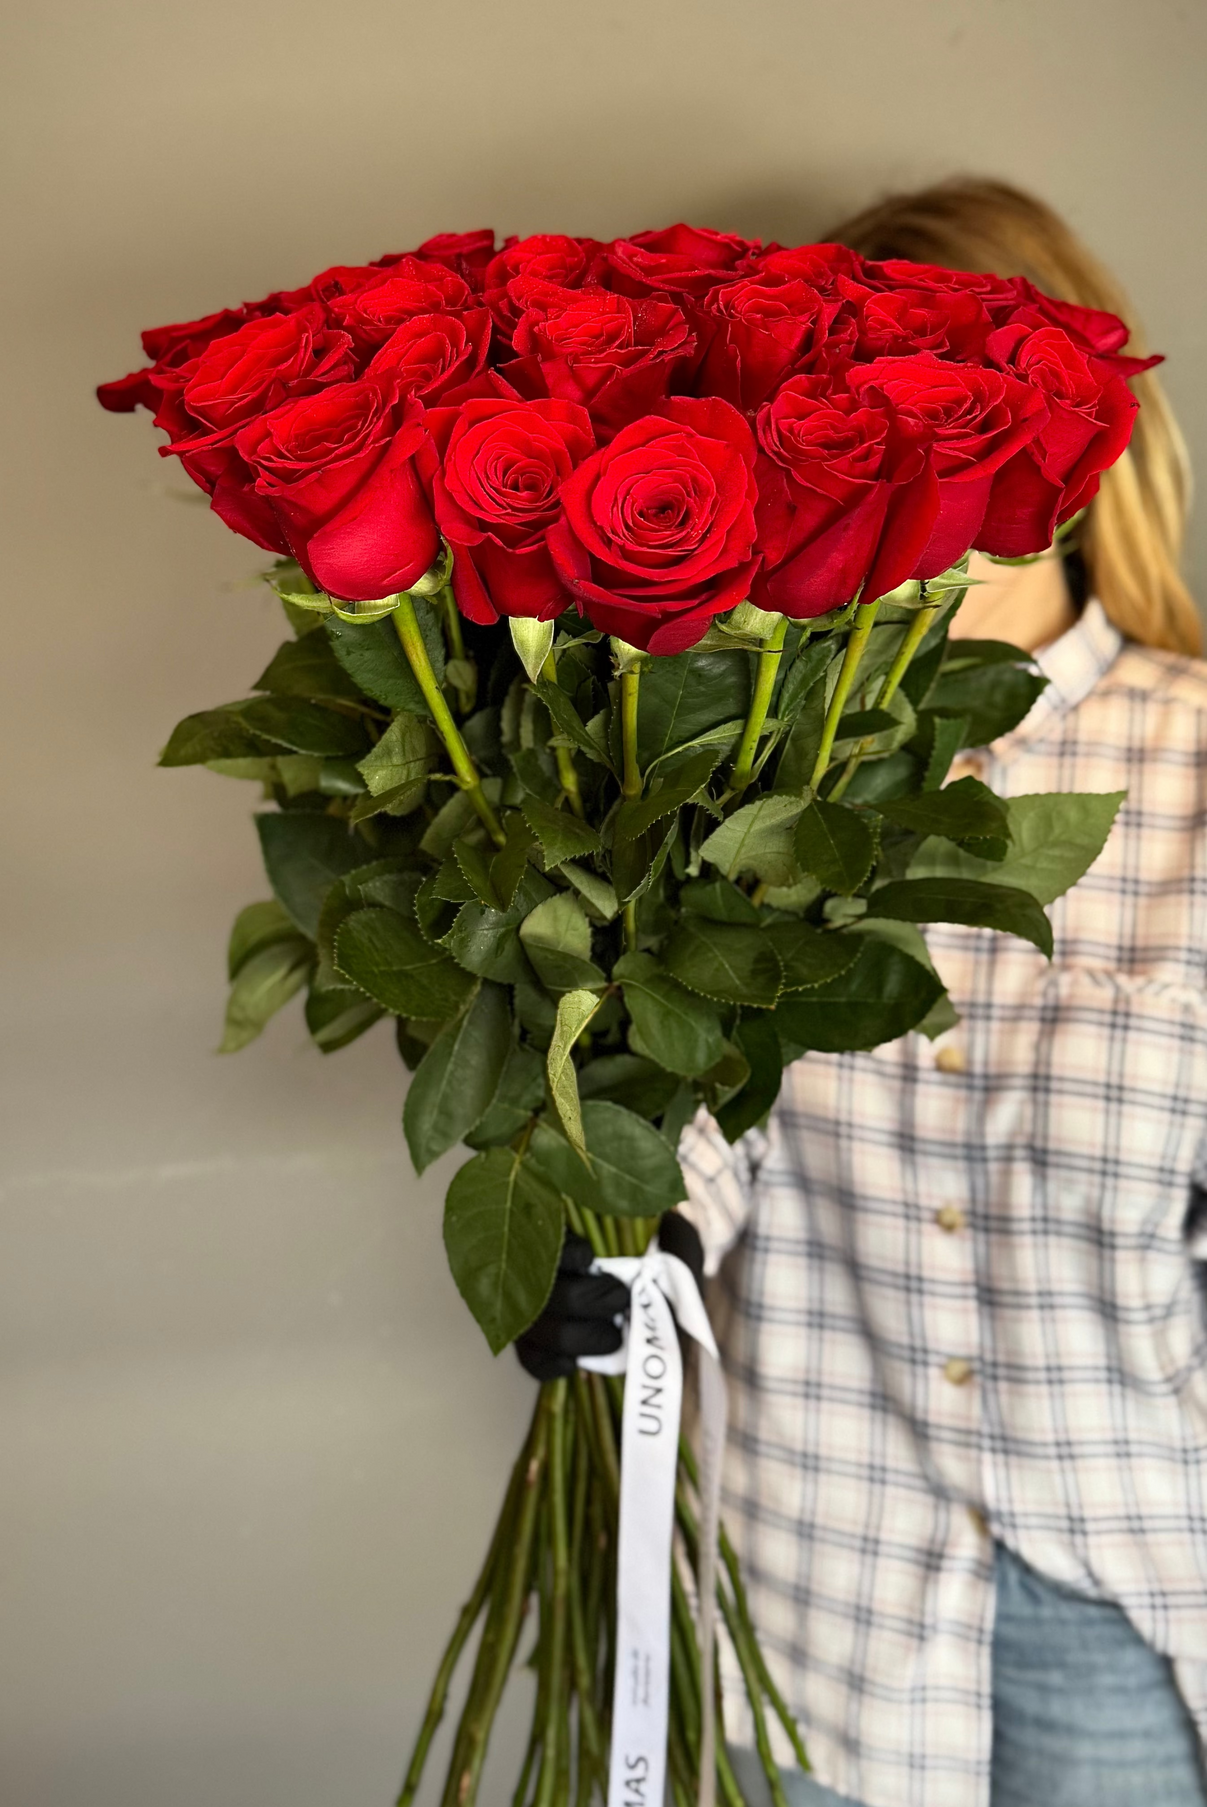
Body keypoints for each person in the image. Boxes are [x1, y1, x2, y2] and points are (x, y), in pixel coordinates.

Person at [519, 178, 1205, 1807]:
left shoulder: (1195, 760)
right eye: (846, 426)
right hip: (820, 1581)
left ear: (1065, 431)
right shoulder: (736, 767)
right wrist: (634, 1238)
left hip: (1132, 1572)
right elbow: (700, 1097)